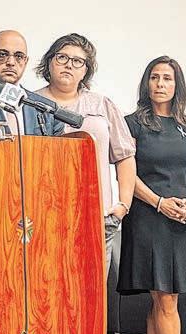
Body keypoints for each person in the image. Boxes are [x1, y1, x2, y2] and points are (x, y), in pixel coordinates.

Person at [118, 56, 186, 334]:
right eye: (154, 77)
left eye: (167, 78)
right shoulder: (132, 123)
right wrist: (159, 202)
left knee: (164, 298)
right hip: (149, 217)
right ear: (146, 83)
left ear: (177, 85)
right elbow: (127, 174)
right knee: (166, 298)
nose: (160, 84)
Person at [35, 33, 136, 273]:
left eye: (78, 61)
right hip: (44, 218)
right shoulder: (30, 103)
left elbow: (124, 156)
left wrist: (123, 206)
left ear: (86, 70)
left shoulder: (101, 105)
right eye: (62, 57)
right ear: (49, 62)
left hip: (97, 219)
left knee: (93, 291)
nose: (69, 65)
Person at [0, 30, 63, 136]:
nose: (11, 62)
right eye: (2, 54)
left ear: (25, 62)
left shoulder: (48, 110)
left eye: (19, 56)